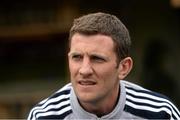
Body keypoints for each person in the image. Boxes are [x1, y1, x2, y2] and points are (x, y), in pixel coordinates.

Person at [27, 12, 180, 119]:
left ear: (123, 68)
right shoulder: (44, 116)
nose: (84, 70)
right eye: (77, 57)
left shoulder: (160, 114)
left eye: (97, 58)